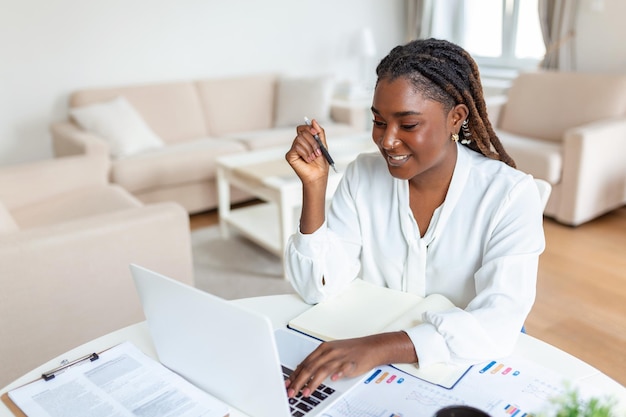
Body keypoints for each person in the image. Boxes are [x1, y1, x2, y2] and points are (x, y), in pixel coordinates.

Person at [283, 38, 545, 399]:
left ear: (456, 117)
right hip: (380, 363)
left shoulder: (510, 195)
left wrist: (379, 347)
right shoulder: (362, 175)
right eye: (378, 121)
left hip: (468, 361)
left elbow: (499, 321)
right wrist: (314, 187)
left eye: (407, 125)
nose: (387, 141)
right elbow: (317, 287)